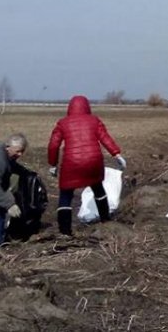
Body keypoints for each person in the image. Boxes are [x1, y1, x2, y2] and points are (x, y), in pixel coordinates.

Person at [48, 95, 126, 236]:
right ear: (87, 107)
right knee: (98, 189)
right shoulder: (94, 121)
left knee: (66, 195)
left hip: (71, 163)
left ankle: (65, 231)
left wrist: (53, 164)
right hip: (93, 161)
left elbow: (54, 145)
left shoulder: (62, 123)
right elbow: (105, 138)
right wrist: (116, 154)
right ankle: (105, 220)